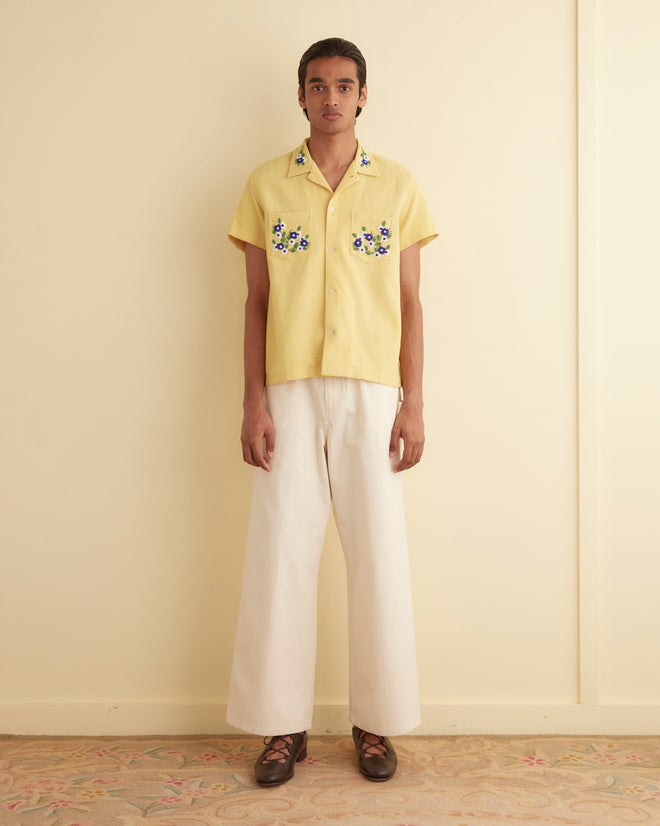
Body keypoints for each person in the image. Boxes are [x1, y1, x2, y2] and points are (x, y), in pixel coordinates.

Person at [226, 36, 437, 787]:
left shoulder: (399, 187)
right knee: (281, 552)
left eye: (345, 85)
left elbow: (411, 305)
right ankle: (282, 728)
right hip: (288, 387)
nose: (331, 97)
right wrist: (252, 400)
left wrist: (412, 405)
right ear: (301, 95)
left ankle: (374, 724)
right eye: (317, 85)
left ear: (364, 94)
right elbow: (255, 303)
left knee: (378, 553)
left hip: (373, 389)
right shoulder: (264, 185)